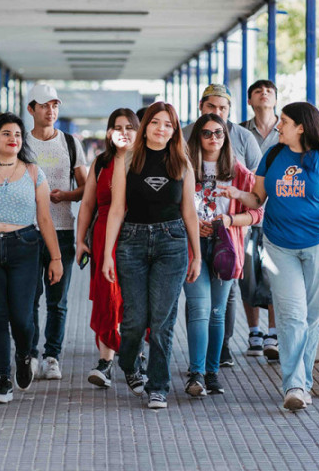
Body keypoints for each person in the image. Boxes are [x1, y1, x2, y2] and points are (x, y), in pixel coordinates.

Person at [222, 102, 319, 411]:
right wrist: (238, 195)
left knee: (311, 315)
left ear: (301, 127)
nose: (277, 126)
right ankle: (294, 384)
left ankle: (302, 381)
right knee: (291, 315)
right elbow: (258, 198)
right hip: (279, 245)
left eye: (284, 121)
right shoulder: (273, 156)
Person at [102, 102, 201, 410]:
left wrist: (196, 254)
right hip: (131, 242)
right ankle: (128, 361)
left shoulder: (182, 162)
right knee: (134, 321)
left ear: (174, 131)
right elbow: (117, 209)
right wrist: (107, 254)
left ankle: (157, 386)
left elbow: (189, 212)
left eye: (168, 124)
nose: (161, 128)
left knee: (161, 322)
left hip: (171, 243)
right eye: (156, 122)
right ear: (145, 126)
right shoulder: (127, 159)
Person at [0, 113, 63, 404]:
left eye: (17, 134)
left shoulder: (33, 172)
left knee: (22, 317)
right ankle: (2, 379)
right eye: (6, 134)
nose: (14, 139)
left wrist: (56, 258)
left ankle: (25, 355)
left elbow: (45, 218)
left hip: (25, 247)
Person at [182, 114, 263, 397]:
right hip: (193, 247)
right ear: (197, 137)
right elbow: (172, 209)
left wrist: (228, 222)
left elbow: (256, 212)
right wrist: (192, 224)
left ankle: (212, 372)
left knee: (217, 313)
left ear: (226, 137)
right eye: (206, 133)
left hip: (225, 248)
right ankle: (196, 373)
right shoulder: (184, 168)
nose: (213, 138)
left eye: (219, 132)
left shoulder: (238, 171)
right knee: (199, 310)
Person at [25, 84, 87, 381]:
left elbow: (88, 188)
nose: (50, 111)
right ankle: (30, 354)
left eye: (55, 105)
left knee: (57, 300)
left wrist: (67, 196)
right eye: (44, 105)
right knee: (28, 299)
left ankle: (52, 355)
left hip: (62, 230)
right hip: (26, 231)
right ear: (31, 110)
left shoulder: (71, 143)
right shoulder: (20, 143)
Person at [75, 108, 139, 388]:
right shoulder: (101, 163)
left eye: (129, 127)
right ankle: (106, 362)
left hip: (137, 236)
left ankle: (135, 359)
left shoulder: (145, 162)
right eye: (117, 127)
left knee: (134, 300)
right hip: (102, 238)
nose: (123, 132)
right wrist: (80, 240)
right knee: (107, 299)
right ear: (109, 132)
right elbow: (88, 204)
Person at [240, 79, 281, 360]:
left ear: (276, 99)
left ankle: (273, 332)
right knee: (247, 273)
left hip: (278, 215)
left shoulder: (288, 130)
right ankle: (254, 329)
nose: (264, 94)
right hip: (246, 213)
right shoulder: (240, 132)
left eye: (269, 91)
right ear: (250, 101)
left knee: (276, 275)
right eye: (258, 91)